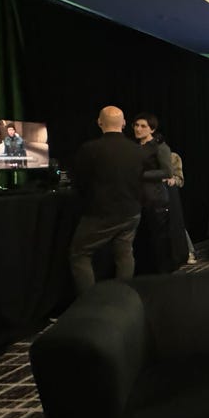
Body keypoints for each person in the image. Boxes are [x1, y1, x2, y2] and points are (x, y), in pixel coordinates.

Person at [68, 106, 145, 294]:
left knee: (80, 254)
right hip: (131, 212)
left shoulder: (89, 149)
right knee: (124, 253)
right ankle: (123, 298)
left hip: (100, 213)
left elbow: (79, 183)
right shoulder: (137, 150)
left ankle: (90, 302)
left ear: (99, 122)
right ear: (124, 123)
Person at [132, 113, 179, 273]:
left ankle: (164, 271)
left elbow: (167, 172)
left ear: (152, 129)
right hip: (138, 198)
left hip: (155, 198)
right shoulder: (135, 147)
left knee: (159, 238)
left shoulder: (160, 147)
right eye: (136, 125)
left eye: (143, 126)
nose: (138, 129)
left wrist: (142, 175)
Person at [170, 150, 197, 265]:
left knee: (176, 223)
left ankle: (188, 251)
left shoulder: (172, 156)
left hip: (165, 195)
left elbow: (179, 180)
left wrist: (171, 180)